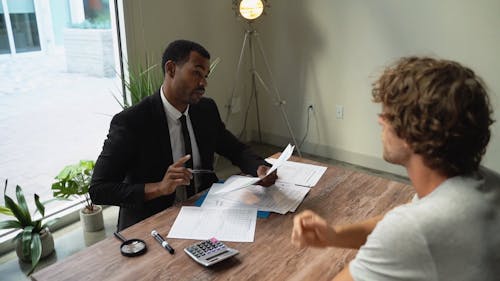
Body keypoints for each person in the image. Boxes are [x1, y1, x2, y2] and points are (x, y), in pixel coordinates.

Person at [291, 57, 500, 280]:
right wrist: (335, 236)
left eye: (387, 116)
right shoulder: (486, 183)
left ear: (411, 135)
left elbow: (406, 231)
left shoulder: (415, 229)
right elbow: (395, 224)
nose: (380, 121)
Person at [90, 39, 276, 231]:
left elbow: (235, 149)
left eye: (206, 75)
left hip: (205, 210)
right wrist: (159, 188)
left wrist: (259, 167)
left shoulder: (205, 110)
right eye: (196, 73)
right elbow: (99, 189)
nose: (203, 83)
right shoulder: (132, 122)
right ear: (171, 69)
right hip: (153, 222)